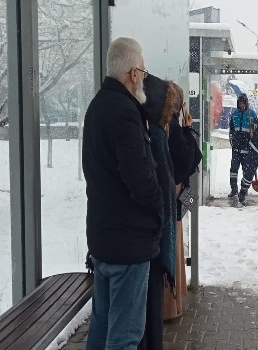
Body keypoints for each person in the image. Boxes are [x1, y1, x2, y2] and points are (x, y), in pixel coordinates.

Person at [82, 37, 162, 350]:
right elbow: (141, 181)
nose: (144, 77)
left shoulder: (98, 106)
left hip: (104, 238)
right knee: (124, 337)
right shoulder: (125, 113)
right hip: (128, 243)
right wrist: (159, 205)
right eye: (142, 71)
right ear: (132, 73)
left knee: (101, 329)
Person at [139, 73, 178, 350]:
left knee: (147, 317)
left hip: (149, 238)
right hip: (147, 240)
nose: (173, 117)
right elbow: (155, 189)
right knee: (141, 320)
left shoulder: (155, 134)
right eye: (172, 111)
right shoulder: (153, 136)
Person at [165, 81, 202, 321]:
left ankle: (172, 302)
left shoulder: (162, 125)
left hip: (171, 196)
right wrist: (188, 130)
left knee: (174, 244)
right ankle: (171, 303)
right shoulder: (173, 128)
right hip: (173, 196)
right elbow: (192, 158)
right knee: (174, 247)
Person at [228, 93, 257, 197]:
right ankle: (234, 189)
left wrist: (253, 127)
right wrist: (231, 138)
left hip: (247, 147)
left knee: (246, 171)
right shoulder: (234, 114)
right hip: (236, 147)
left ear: (246, 103)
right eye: (239, 103)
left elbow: (257, 130)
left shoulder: (252, 114)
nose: (241, 105)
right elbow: (231, 128)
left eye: (243, 103)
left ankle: (244, 189)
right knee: (233, 170)